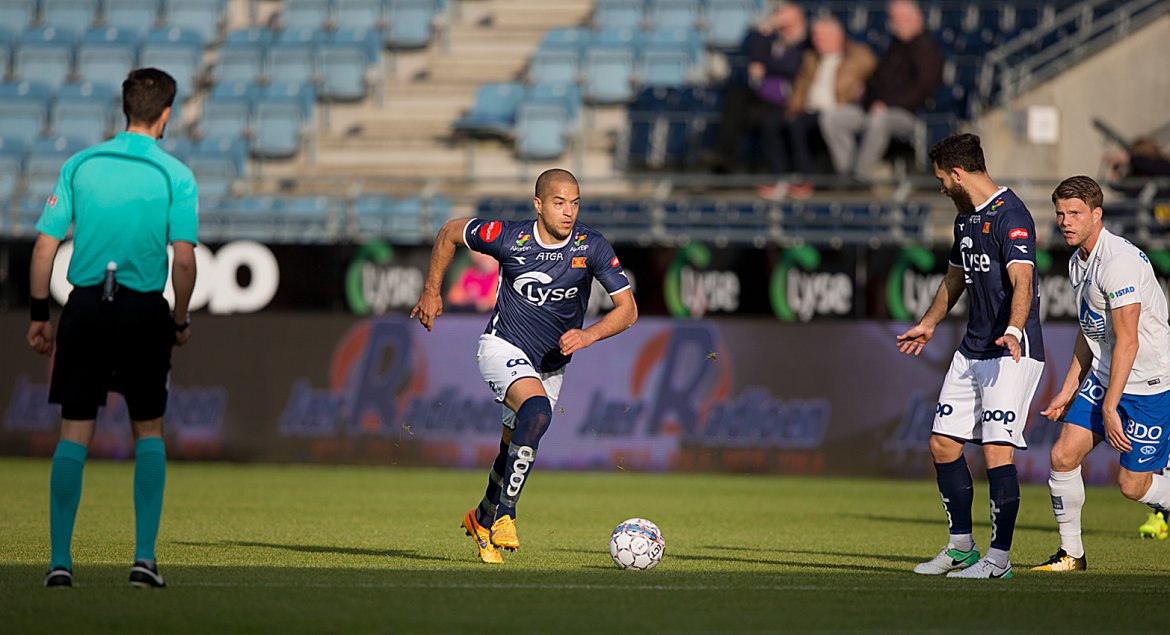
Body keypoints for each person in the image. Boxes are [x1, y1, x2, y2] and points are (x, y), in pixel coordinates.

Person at [410, 169, 637, 564]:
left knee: (516, 446)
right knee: (536, 412)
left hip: (550, 365)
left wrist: (588, 335)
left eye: (575, 203)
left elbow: (628, 311)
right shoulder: (509, 237)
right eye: (559, 202)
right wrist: (432, 291)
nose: (569, 212)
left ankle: (482, 516)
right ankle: (505, 515)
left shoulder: (592, 246)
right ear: (539, 204)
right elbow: (449, 232)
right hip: (502, 346)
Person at [28, 68, 198, 588]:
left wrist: (40, 316)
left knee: (73, 433)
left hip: (84, 309)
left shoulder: (81, 164)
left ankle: (60, 563)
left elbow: (43, 248)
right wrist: (178, 319)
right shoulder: (176, 175)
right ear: (166, 114)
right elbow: (185, 262)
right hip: (143, 310)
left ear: (125, 109)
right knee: (148, 430)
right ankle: (143, 560)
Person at [896, 133, 1044, 580]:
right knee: (942, 443)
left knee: (997, 451)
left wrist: (1015, 329)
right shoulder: (964, 221)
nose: (941, 186)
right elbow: (955, 279)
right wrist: (929, 321)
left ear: (959, 175)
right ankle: (961, 547)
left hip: (1010, 351)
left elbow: (1023, 282)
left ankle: (998, 560)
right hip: (971, 349)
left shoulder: (1012, 216)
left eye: (942, 178)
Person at [1031, 176, 1170, 571]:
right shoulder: (1079, 261)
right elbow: (1090, 328)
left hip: (1148, 384)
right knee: (1062, 456)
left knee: (1133, 486)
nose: (1065, 221)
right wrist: (1067, 387)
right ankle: (1072, 554)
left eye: (1075, 213)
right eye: (1060, 213)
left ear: (1097, 214)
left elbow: (1128, 341)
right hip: (1108, 375)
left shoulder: (1118, 264)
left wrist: (1110, 406)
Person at [820, 0, 943, 185]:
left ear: (917, 18)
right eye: (894, 18)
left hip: (907, 114)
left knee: (879, 120)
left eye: (903, 18)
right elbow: (875, 82)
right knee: (832, 118)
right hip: (873, 109)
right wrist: (865, 96)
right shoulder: (893, 48)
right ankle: (846, 174)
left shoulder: (926, 49)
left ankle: (861, 177)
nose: (898, 23)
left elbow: (923, 88)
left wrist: (888, 105)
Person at [757, 15, 876, 199]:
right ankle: (779, 178)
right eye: (815, 37)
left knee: (798, 125)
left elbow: (872, 77)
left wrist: (859, 92)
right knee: (771, 122)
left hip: (839, 109)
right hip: (809, 110)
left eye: (822, 36)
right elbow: (800, 87)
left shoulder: (859, 55)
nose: (817, 41)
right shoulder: (811, 58)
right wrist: (794, 107)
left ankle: (804, 181)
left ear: (837, 36)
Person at [705, 2, 807, 174]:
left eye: (786, 19)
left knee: (745, 116)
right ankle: (723, 158)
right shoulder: (774, 41)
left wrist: (766, 66)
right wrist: (767, 29)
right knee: (736, 97)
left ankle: (725, 163)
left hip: (786, 100)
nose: (782, 24)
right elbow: (754, 61)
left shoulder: (805, 43)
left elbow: (790, 67)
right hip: (762, 96)